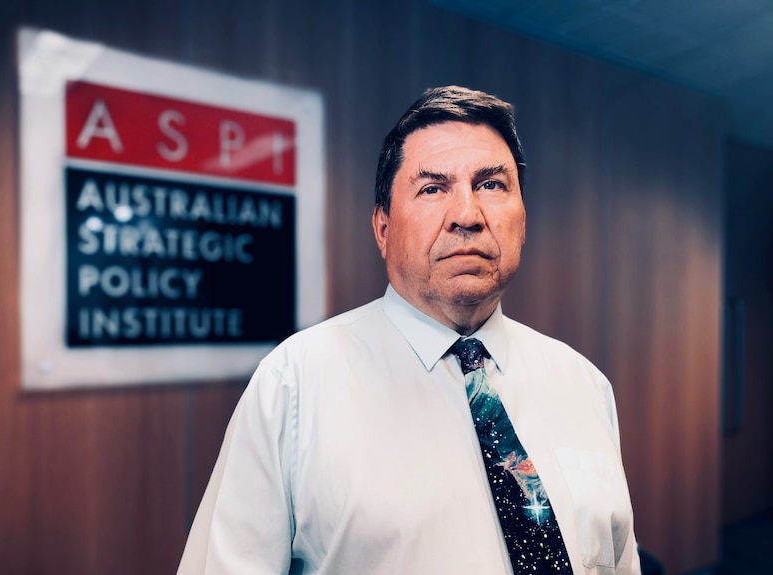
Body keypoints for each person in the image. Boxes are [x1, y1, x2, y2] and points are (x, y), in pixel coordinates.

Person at [177, 86, 641, 575]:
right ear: (382, 228)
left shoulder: (584, 386)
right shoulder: (294, 386)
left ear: (522, 220)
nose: (467, 215)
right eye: (433, 188)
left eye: (491, 185)